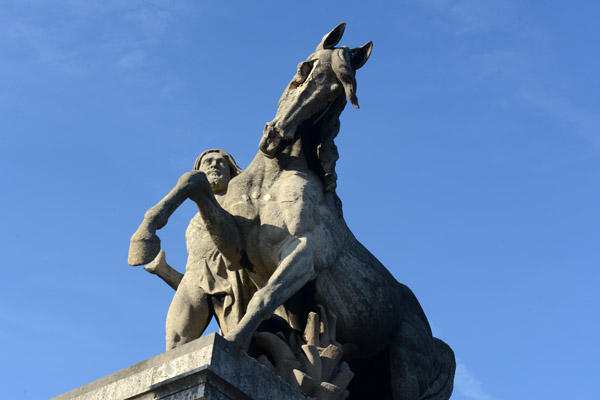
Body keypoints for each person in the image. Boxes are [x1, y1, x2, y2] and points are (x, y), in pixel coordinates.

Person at [146, 149, 255, 350]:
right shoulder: (193, 222)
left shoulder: (242, 200)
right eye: (208, 162)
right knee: (175, 341)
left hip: (235, 279)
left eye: (221, 163)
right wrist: (165, 271)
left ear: (232, 172)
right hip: (194, 278)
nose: (214, 165)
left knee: (240, 349)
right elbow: (202, 271)